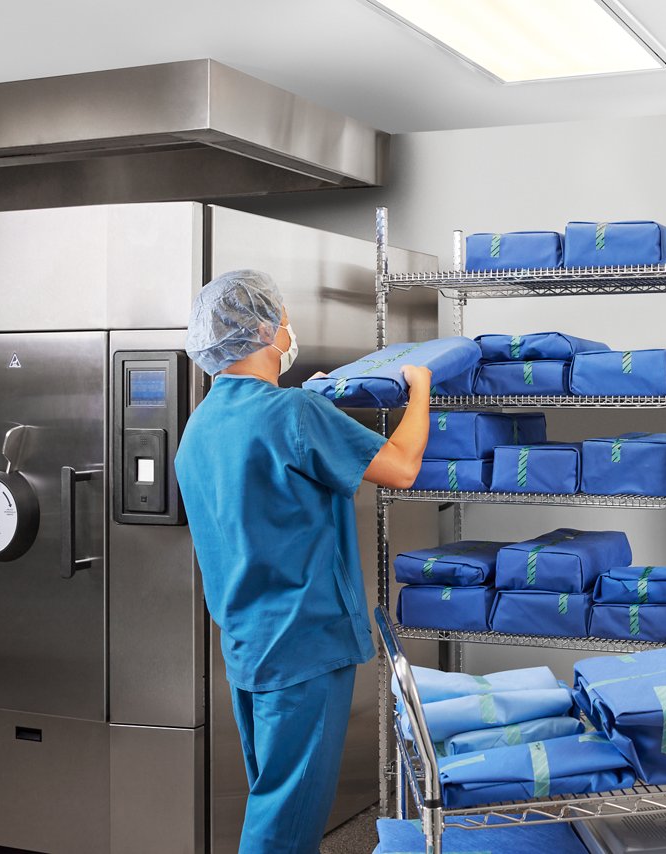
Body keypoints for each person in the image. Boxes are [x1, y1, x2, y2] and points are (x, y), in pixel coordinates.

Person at [175, 269, 430, 853]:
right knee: (286, 817)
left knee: (275, 792)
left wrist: (307, 403)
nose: (289, 329)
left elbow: (268, 481)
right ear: (266, 330)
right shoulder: (292, 414)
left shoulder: (203, 425)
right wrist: (421, 390)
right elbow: (402, 467)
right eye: (284, 319)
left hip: (248, 641)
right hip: (305, 641)